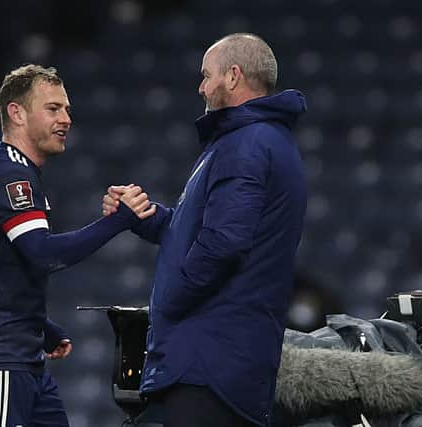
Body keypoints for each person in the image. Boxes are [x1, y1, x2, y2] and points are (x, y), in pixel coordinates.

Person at [103, 33, 307, 427]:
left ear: (232, 76)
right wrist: (142, 216)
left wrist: (170, 301)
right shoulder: (258, 139)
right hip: (216, 360)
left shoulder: (246, 142)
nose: (200, 86)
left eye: (205, 75)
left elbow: (223, 244)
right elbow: (201, 232)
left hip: (209, 366)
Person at [0, 64, 155, 427]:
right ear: (17, 113)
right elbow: (43, 254)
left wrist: (38, 324)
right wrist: (118, 220)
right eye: (54, 108)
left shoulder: (15, 171)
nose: (66, 119)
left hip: (20, 353)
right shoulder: (7, 172)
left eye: (68, 109)